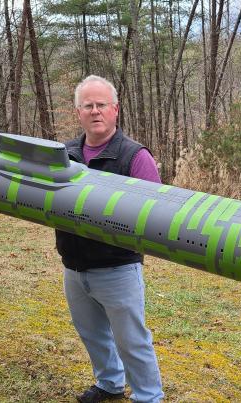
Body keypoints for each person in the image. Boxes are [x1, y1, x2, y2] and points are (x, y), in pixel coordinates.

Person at [55, 75, 164, 403]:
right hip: (74, 267)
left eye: (101, 104)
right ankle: (110, 383)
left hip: (117, 268)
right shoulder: (64, 154)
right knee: (92, 334)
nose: (95, 111)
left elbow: (156, 210)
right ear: (78, 113)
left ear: (115, 110)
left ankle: (148, 396)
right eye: (87, 105)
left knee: (131, 340)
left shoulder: (135, 156)